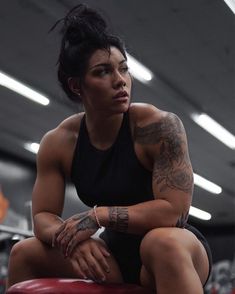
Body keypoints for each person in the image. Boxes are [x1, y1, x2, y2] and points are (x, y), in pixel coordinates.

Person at [7, 4, 212, 293]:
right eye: (103, 71)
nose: (120, 80)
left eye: (124, 68)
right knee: (23, 252)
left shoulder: (159, 126)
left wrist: (98, 216)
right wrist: (71, 239)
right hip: (112, 253)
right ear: (77, 86)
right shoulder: (59, 142)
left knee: (161, 241)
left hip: (175, 248)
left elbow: (174, 213)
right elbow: (43, 217)